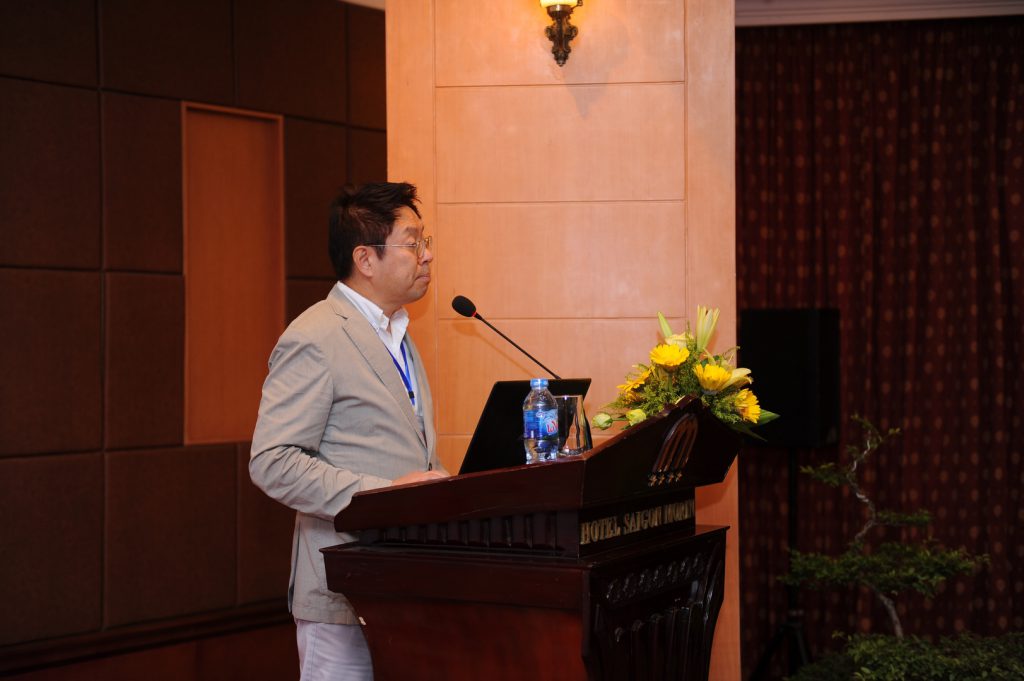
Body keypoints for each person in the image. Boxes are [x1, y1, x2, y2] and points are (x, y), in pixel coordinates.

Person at [250, 182, 448, 681]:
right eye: (413, 243)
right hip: (341, 590)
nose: (427, 255)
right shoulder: (315, 336)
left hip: (400, 587)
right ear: (365, 259)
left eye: (424, 242)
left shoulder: (397, 332)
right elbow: (272, 462)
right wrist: (386, 496)